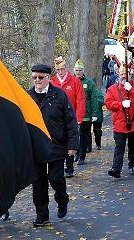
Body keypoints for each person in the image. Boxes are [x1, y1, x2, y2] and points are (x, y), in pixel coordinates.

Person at [28, 64, 79, 227]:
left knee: (56, 179)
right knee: (38, 182)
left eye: (41, 77)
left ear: (49, 78)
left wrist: (72, 145)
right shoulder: (27, 97)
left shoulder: (60, 95)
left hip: (57, 145)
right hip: (36, 147)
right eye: (35, 77)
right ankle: (42, 214)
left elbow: (71, 121)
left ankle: (62, 199)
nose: (37, 80)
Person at [105, 66, 134, 178]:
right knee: (119, 147)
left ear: (130, 74)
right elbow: (108, 103)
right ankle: (116, 168)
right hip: (120, 122)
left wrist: (131, 89)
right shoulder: (112, 89)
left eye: (126, 74)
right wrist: (120, 105)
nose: (124, 76)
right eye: (122, 74)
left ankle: (132, 164)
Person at [51, 56, 85, 177]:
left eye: (62, 69)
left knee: (70, 142)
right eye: (58, 70)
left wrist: (79, 118)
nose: (61, 72)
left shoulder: (75, 81)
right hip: (56, 120)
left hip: (71, 117)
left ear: (66, 68)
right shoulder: (52, 82)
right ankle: (59, 166)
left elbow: (80, 100)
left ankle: (69, 167)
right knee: (58, 142)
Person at [75, 59, 102, 167]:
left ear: (83, 71)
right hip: (74, 114)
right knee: (75, 135)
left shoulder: (89, 83)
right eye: (76, 70)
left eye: (80, 70)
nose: (78, 72)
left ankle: (82, 156)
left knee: (84, 135)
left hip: (86, 115)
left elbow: (95, 98)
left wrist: (95, 113)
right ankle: (76, 154)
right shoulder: (72, 81)